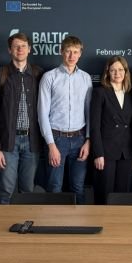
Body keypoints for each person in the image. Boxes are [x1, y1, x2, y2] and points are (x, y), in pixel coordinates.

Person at [0, 33, 44, 204]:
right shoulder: (0, 74)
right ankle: (2, 221)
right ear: (9, 50)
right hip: (7, 143)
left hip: (32, 142)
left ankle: (26, 220)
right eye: (16, 46)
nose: (20, 49)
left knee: (28, 190)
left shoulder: (38, 74)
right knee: (6, 190)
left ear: (29, 49)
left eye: (23, 46)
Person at [38, 36, 92, 204]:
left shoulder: (86, 78)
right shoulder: (49, 77)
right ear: (61, 51)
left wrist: (88, 140)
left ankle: (79, 220)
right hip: (56, 139)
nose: (71, 55)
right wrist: (51, 145)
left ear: (80, 54)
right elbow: (42, 113)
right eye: (68, 51)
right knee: (54, 187)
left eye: (75, 52)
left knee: (78, 187)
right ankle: (54, 220)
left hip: (80, 139)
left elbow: (89, 112)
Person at [90, 56, 132, 204]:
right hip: (106, 153)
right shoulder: (100, 92)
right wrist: (98, 154)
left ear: (126, 72)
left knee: (122, 197)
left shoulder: (131, 94)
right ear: (107, 72)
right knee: (104, 196)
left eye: (120, 70)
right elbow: (94, 126)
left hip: (127, 153)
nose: (117, 73)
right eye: (113, 70)